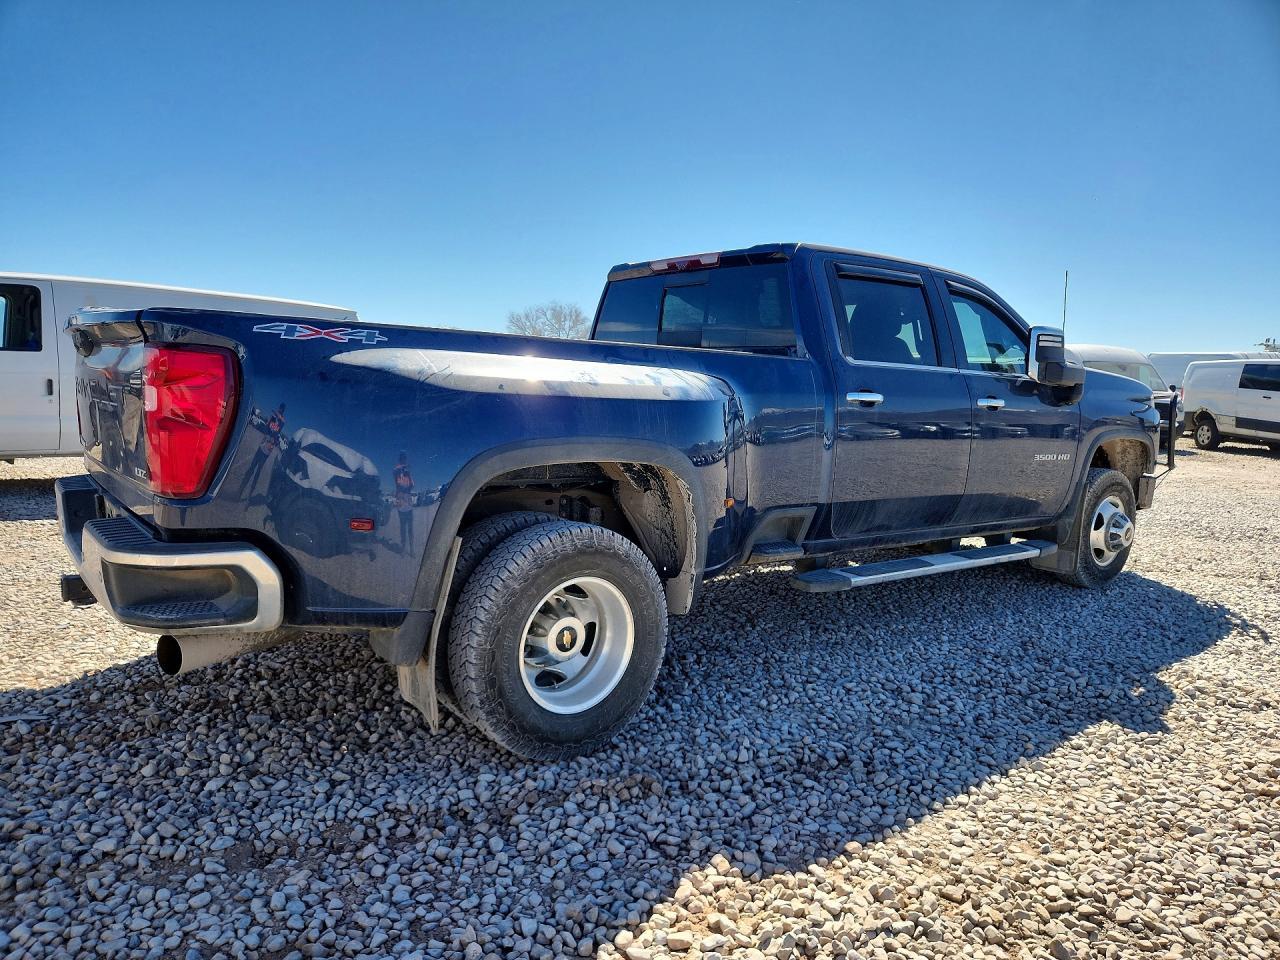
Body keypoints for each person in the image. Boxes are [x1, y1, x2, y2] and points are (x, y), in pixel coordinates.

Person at [237, 403, 287, 498]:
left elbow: (282, 422)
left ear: (282, 410)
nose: (280, 410)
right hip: (263, 445)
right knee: (252, 468)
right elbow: (267, 426)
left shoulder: (281, 422)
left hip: (268, 449)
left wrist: (277, 416)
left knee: (258, 471)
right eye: (280, 408)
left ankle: (249, 494)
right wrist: (273, 417)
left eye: (281, 409)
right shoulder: (273, 418)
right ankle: (240, 490)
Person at [393, 451, 414, 551]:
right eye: (402, 459)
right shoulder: (397, 470)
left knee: (410, 527)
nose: (404, 461)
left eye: (405, 459)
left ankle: (411, 548)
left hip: (408, 503)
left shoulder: (408, 472)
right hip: (401, 503)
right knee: (403, 527)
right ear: (400, 460)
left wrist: (408, 474)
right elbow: (399, 484)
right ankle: (403, 547)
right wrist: (402, 469)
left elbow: (412, 485)